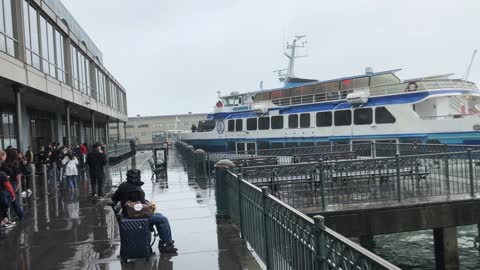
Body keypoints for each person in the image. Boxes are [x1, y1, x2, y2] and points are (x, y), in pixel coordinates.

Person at [111, 169, 177, 253]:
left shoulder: (122, 185)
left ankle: (165, 242)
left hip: (125, 214)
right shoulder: (137, 190)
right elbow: (141, 209)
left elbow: (114, 198)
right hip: (135, 217)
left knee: (159, 215)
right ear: (137, 177)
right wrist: (148, 205)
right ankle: (166, 244)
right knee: (163, 219)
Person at [0, 149, 23, 221]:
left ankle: (6, 217)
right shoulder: (11, 162)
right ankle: (7, 217)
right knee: (11, 199)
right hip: (9, 182)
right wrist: (19, 183)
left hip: (7, 182)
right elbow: (16, 173)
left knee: (11, 199)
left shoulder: (6, 162)